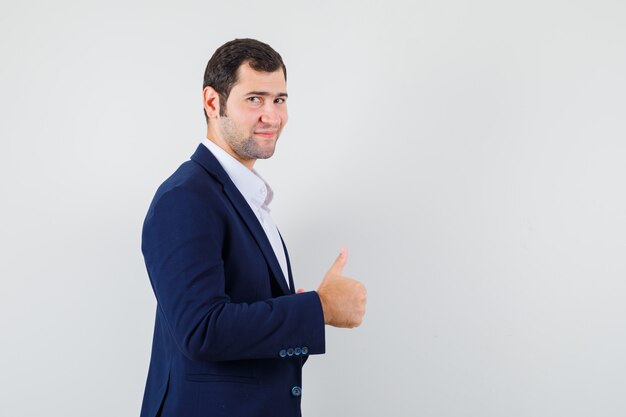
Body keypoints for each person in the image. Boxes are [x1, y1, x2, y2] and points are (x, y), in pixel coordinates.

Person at [139, 38, 367, 417]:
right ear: (213, 103)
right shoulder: (186, 198)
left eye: (279, 99)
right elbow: (201, 330)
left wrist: (290, 306)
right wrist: (318, 308)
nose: (272, 116)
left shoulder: (244, 196)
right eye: (255, 99)